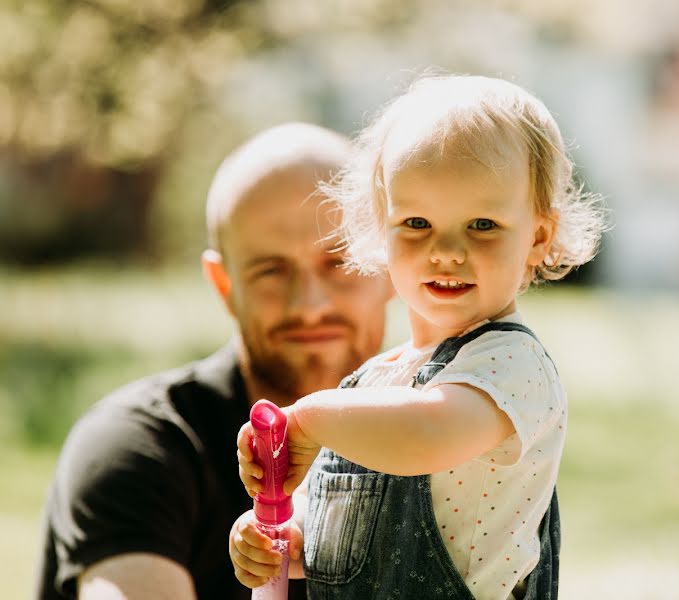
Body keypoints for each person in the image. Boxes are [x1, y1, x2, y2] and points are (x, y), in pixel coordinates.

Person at [230, 74, 605, 599]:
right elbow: (341, 550)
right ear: (380, 229)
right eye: (416, 222)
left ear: (537, 238)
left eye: (481, 224)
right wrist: (281, 543)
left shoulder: (513, 366)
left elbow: (428, 432)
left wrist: (312, 418)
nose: (447, 250)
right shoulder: (368, 387)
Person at [35, 122, 394, 600]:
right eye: (271, 270)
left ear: (389, 268)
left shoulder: (455, 436)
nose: (309, 305)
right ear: (224, 285)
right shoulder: (140, 447)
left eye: (339, 262)